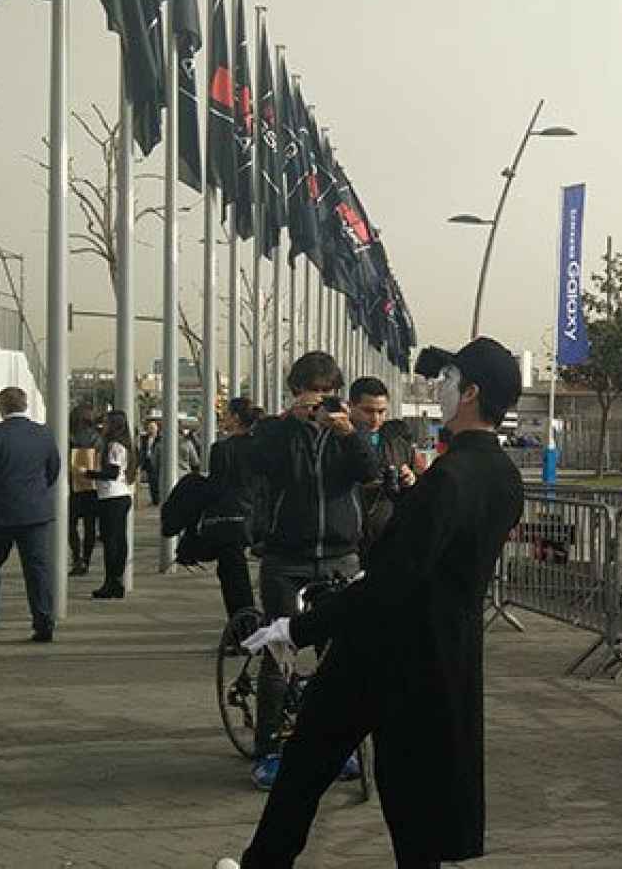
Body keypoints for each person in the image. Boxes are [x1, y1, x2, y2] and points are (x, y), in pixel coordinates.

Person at [216, 337, 526, 869]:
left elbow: (389, 584)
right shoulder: (502, 476)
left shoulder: (449, 479)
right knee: (410, 800)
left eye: (449, 381)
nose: (440, 389)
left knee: (312, 766)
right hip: (441, 656)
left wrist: (297, 629)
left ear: (471, 393)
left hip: (382, 653)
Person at [244, 351, 380, 791]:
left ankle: (332, 746)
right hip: (287, 556)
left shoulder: (349, 430)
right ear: (297, 391)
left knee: (339, 655)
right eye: (313, 393)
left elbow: (368, 471)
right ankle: (267, 748)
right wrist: (290, 421)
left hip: (341, 553)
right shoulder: (276, 431)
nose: (321, 401)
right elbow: (257, 464)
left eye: (328, 392)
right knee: (280, 650)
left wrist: (346, 434)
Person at [0, 387, 62, 642]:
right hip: (35, 513)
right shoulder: (44, 434)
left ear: (1, 406)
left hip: (0, 513)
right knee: (37, 570)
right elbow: (53, 470)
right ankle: (43, 620)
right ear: (25, 405)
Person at [347, 377, 420, 563]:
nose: (375, 419)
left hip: (385, 538)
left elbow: (412, 498)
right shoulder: (337, 441)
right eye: (368, 411)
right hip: (347, 540)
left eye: (381, 411)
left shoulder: (399, 446)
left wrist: (410, 481)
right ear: (351, 406)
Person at [205, 398, 264, 618]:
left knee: (233, 576)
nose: (223, 418)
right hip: (260, 516)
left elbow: (216, 486)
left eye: (227, 414)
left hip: (231, 518)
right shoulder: (261, 447)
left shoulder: (222, 449)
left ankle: (242, 626)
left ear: (237, 418)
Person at [87, 411, 138, 599]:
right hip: (121, 495)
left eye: (106, 423)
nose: (103, 426)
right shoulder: (126, 445)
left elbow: (112, 473)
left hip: (112, 496)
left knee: (111, 542)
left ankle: (112, 582)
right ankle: (116, 580)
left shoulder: (114, 446)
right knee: (118, 540)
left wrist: (89, 473)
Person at [68, 404, 103, 577]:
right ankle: (86, 560)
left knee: (71, 525)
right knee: (90, 526)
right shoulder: (98, 439)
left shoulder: (68, 437)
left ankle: (76, 557)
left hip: (71, 486)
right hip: (92, 486)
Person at [140, 420, 161, 506]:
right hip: (148, 461)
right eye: (149, 428)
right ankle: (154, 499)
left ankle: (157, 499)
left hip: (156, 462)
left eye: (153, 428)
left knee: (156, 481)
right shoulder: (145, 438)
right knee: (151, 482)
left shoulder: (160, 439)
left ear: (157, 429)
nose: (151, 430)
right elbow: (142, 450)